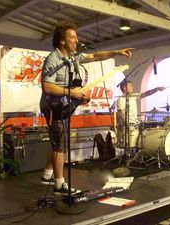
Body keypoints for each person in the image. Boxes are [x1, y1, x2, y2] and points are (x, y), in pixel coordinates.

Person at [39, 20, 134, 196]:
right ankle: (59, 184)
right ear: (62, 40)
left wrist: (117, 52)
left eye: (76, 37)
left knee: (57, 142)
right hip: (53, 107)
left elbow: (94, 56)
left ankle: (47, 175)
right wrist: (71, 93)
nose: (76, 40)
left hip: (63, 105)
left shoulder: (73, 57)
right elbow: (47, 86)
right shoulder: (53, 59)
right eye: (72, 37)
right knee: (59, 145)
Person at [116, 80, 165, 148]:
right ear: (124, 88)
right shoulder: (120, 99)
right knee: (128, 146)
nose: (132, 87)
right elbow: (121, 113)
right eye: (130, 86)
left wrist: (156, 89)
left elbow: (146, 93)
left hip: (135, 124)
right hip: (128, 126)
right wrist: (126, 125)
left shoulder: (133, 96)